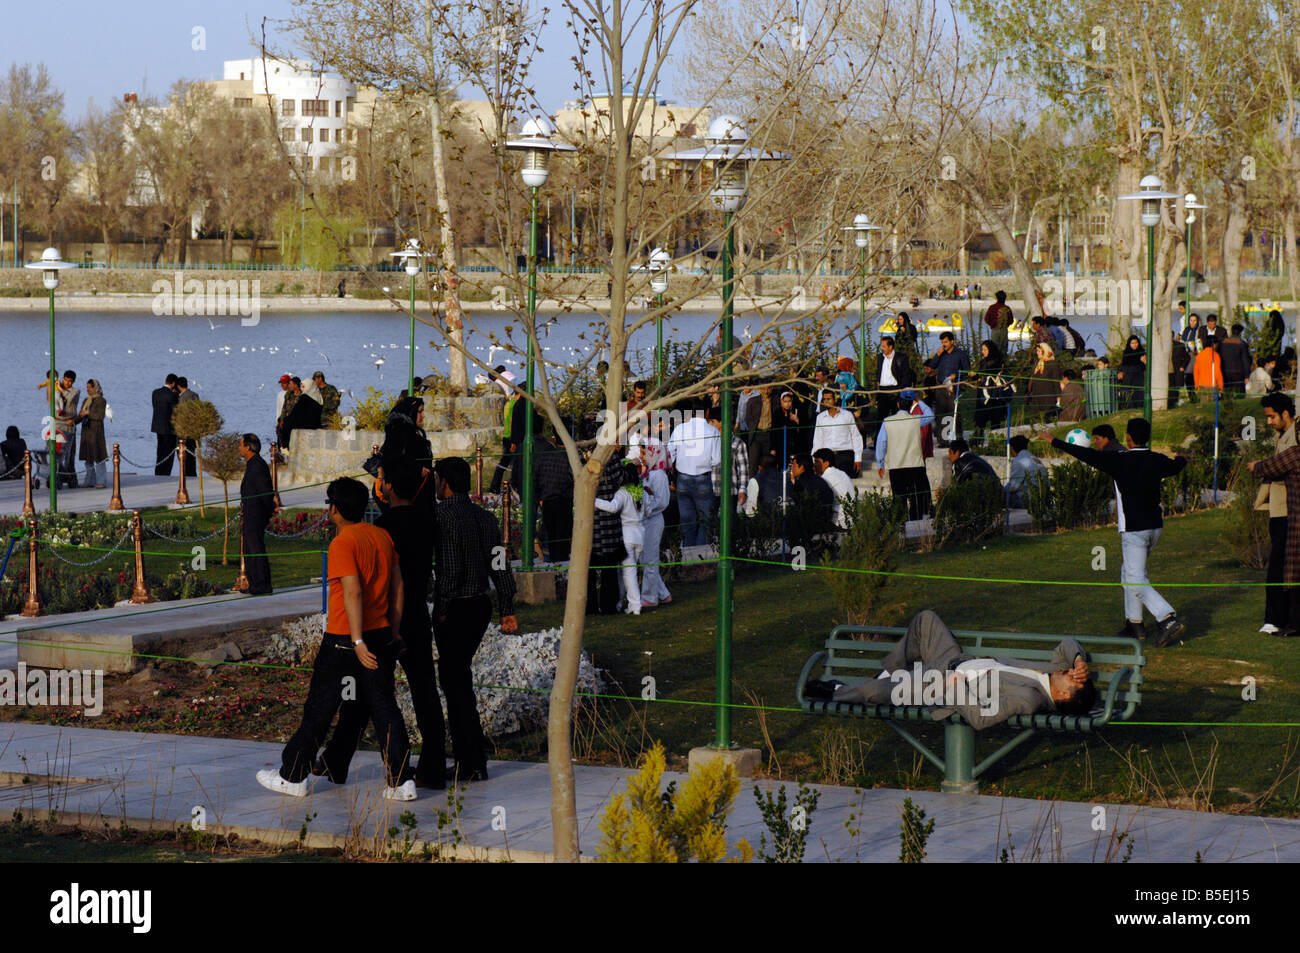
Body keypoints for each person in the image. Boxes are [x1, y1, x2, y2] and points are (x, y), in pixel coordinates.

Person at [257, 477, 413, 800]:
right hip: (381, 634)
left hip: (345, 639)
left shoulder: (342, 543)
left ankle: (293, 775)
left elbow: (353, 591)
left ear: (337, 509)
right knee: (383, 707)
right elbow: (399, 588)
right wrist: (393, 630)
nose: (329, 510)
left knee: (320, 707)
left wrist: (357, 642)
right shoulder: (383, 537)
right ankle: (399, 781)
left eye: (330, 504)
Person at [805, 609, 1097, 729]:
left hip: (943, 685)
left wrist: (954, 686)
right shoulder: (1053, 671)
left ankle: (836, 691)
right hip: (953, 659)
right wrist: (1079, 659)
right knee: (926, 619)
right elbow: (1066, 643)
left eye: (1075, 680)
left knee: (874, 692)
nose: (1073, 674)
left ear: (1063, 697)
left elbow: (981, 718)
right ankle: (891, 675)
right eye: (1076, 674)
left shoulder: (1031, 699)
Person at [1043, 417, 1188, 647]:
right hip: (1155, 528)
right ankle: (1135, 624)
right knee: (1128, 574)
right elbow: (1176, 465)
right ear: (1147, 438)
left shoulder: (1119, 461)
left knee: (1134, 578)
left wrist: (1054, 441)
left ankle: (1166, 618)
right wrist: (1182, 457)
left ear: (1128, 438)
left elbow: (1086, 455)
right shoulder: (1157, 459)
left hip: (1135, 530)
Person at [431, 456, 519, 783]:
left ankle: (470, 761)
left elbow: (450, 570)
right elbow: (499, 564)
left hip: (455, 607)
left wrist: (441, 607)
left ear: (445, 482)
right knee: (459, 680)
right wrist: (507, 605)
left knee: (454, 685)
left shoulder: (443, 517)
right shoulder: (485, 518)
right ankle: (473, 756)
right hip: (480, 606)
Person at [1253, 393, 1297, 635]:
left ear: (1285, 414)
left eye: (1271, 417)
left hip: (1288, 510)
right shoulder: (1283, 436)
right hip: (1279, 509)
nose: (1269, 422)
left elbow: (1284, 466)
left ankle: (1275, 619)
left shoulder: (1294, 438)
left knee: (1279, 566)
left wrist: (1263, 466)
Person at [594, 460, 655, 614]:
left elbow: (612, 507)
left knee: (629, 572)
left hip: (627, 535)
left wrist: (593, 500)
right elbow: (649, 511)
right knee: (627, 571)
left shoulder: (622, 492)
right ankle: (620, 603)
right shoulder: (640, 491)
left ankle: (635, 606)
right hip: (641, 534)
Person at [667, 404, 721, 547]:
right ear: (707, 412)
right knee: (706, 521)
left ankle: (687, 555)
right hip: (702, 478)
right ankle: (700, 556)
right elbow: (717, 460)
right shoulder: (713, 431)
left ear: (691, 412)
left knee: (687, 522)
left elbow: (669, 455)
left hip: (682, 479)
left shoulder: (680, 429)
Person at [875, 390, 933, 520]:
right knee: (916, 499)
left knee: (899, 499)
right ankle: (916, 524)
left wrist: (880, 463)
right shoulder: (916, 420)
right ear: (911, 404)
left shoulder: (887, 421)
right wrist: (919, 401)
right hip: (915, 466)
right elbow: (930, 415)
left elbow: (881, 443)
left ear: (898, 405)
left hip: (896, 466)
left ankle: (900, 526)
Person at [238, 433, 276, 596]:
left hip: (256, 516)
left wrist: (267, 511)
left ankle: (261, 584)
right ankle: (255, 583)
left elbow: (265, 492)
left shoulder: (257, 465)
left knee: (255, 550)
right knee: (250, 549)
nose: (239, 448)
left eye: (241, 445)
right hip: (251, 514)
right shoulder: (253, 464)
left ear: (248, 447)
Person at [636, 439, 672, 609]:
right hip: (646, 519)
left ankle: (650, 597)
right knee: (645, 558)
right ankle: (662, 593)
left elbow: (662, 501)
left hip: (653, 520)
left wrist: (645, 507)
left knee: (650, 559)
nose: (642, 457)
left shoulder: (659, 475)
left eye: (645, 453)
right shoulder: (649, 473)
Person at [534, 428, 574, 563]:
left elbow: (536, 476)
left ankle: (554, 563)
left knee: (552, 536)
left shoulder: (546, 456)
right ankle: (562, 566)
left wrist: (540, 497)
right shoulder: (571, 457)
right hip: (565, 502)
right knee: (563, 536)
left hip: (548, 501)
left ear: (554, 439)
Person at [922, 331, 970, 444]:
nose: (944, 344)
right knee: (940, 413)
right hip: (941, 386)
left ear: (952, 341)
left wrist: (956, 376)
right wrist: (937, 354)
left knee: (955, 413)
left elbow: (967, 371)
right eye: (942, 342)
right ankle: (942, 440)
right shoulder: (941, 353)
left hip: (954, 387)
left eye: (946, 342)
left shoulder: (960, 354)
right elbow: (931, 366)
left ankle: (958, 439)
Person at [811, 388, 864, 476]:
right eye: (824, 399)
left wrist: (858, 459)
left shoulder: (847, 415)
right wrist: (814, 459)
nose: (826, 401)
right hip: (827, 457)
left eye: (829, 399)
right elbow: (818, 440)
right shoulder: (820, 417)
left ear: (835, 399)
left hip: (845, 455)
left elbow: (856, 437)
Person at [708, 410, 750, 513]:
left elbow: (743, 469)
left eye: (712, 421)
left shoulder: (737, 443)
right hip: (709, 491)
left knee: (730, 524)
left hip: (730, 492)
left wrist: (742, 490)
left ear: (721, 422)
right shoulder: (707, 441)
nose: (709, 424)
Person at [971, 340, 1012, 433]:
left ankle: (996, 442)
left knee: (995, 420)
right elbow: (981, 375)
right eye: (982, 350)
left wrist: (977, 373)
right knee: (980, 420)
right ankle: (978, 441)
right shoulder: (983, 362)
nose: (983, 352)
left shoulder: (998, 362)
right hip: (983, 394)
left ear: (991, 350)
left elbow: (990, 372)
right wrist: (974, 376)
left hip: (995, 394)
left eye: (985, 350)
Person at [75, 379, 109, 489]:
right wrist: (74, 420)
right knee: (88, 459)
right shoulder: (86, 400)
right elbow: (80, 415)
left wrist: (88, 413)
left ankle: (101, 481)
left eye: (90, 387)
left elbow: (100, 417)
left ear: (95, 388)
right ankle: (89, 480)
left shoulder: (101, 401)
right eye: (87, 387)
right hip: (86, 433)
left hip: (96, 433)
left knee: (99, 458)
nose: (87, 390)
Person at [812, 448, 855, 527]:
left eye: (817, 462)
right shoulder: (842, 473)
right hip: (851, 520)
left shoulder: (826, 478)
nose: (814, 466)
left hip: (839, 522)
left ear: (826, 463)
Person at [875, 335, 914, 420]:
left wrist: (900, 389)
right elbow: (878, 372)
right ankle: (880, 433)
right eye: (881, 346)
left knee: (896, 416)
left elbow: (906, 375)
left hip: (895, 391)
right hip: (882, 391)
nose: (882, 348)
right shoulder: (880, 357)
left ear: (890, 347)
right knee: (881, 417)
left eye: (884, 346)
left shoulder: (901, 358)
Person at [52, 370, 80, 489]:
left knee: (69, 454)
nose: (67, 383)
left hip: (68, 427)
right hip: (57, 425)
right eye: (66, 380)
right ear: (63, 378)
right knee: (55, 452)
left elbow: (69, 397)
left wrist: (60, 388)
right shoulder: (57, 389)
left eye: (70, 381)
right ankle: (56, 475)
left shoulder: (75, 392)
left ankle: (71, 477)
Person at [1004, 434, 1047, 508]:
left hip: (1028, 499)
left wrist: (1000, 489)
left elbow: (1014, 486)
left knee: (1002, 496)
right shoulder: (1034, 458)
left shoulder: (1018, 460)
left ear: (1013, 448)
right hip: (1042, 497)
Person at [279, 376, 322, 451]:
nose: (302, 389)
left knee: (286, 426)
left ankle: (285, 448)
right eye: (301, 387)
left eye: (303, 387)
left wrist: (285, 421)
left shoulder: (304, 398)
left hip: (304, 425)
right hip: (314, 424)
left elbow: (296, 412)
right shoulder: (318, 397)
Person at [150, 374, 179, 476]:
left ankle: (158, 472)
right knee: (168, 453)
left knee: (160, 451)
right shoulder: (172, 395)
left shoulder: (155, 393)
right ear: (173, 383)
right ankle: (165, 473)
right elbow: (176, 410)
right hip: (169, 428)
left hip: (157, 426)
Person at [1027, 342, 1062, 419]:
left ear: (1044, 351)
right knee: (1035, 419)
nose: (1037, 353)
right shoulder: (1037, 364)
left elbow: (1056, 382)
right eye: (1037, 351)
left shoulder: (1053, 364)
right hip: (1036, 398)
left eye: (1039, 351)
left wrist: (1058, 398)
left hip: (1048, 398)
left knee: (1048, 419)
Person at [1218, 324, 1252, 393]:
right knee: (1239, 394)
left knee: (1226, 393)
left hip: (1224, 372)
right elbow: (1245, 360)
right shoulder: (1242, 343)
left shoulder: (1223, 342)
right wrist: (1247, 375)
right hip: (1238, 374)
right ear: (1240, 333)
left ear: (1231, 331)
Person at [175, 376, 198, 476]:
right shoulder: (195, 395)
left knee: (183, 455)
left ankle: (186, 475)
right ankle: (192, 474)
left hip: (184, 431)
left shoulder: (182, 398)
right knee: (192, 455)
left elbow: (181, 415)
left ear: (179, 386)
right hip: (194, 430)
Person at [1116, 336, 1146, 410]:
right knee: (1127, 391)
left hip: (1138, 375)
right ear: (1129, 344)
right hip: (1127, 374)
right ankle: (1127, 407)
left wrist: (1144, 361)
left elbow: (1146, 366)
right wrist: (1121, 372)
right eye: (1132, 343)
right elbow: (1123, 364)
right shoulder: (1126, 352)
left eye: (1136, 343)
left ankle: (1139, 406)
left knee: (1138, 391)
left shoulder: (1142, 352)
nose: (1135, 345)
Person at [983, 290, 1013, 354]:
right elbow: (1011, 321)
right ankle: (1003, 362)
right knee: (1004, 349)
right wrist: (1005, 325)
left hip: (995, 330)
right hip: (1004, 330)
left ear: (997, 298)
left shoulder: (992, 307)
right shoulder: (1007, 308)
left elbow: (986, 319)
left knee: (994, 348)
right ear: (1005, 298)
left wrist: (993, 324)